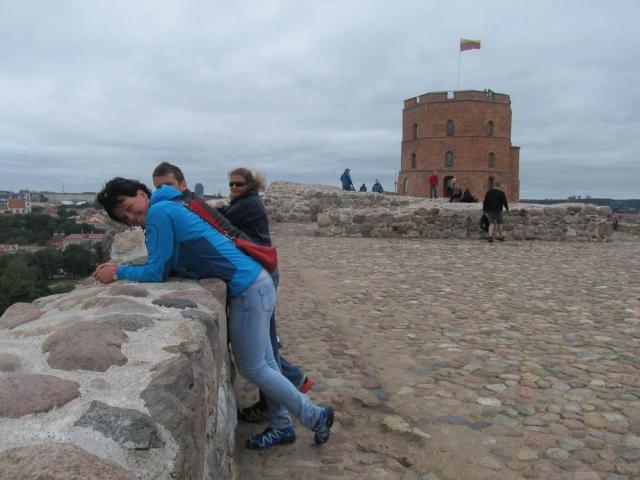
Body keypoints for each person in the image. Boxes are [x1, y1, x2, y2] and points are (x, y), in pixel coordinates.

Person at [93, 178, 334, 449]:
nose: (131, 218)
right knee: (267, 363)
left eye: (128, 207)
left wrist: (118, 271)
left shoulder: (159, 211)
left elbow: (156, 271)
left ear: (141, 193)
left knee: (253, 366)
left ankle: (315, 416)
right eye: (124, 218)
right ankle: (282, 425)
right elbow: (169, 259)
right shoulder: (171, 204)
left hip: (248, 287)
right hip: (256, 281)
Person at [151, 162, 313, 424]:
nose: (234, 187)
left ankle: (292, 398)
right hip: (256, 271)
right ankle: (286, 409)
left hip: (256, 273)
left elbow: (220, 220)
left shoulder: (247, 204)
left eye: (239, 184)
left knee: (261, 356)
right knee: (265, 352)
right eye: (231, 184)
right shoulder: (235, 203)